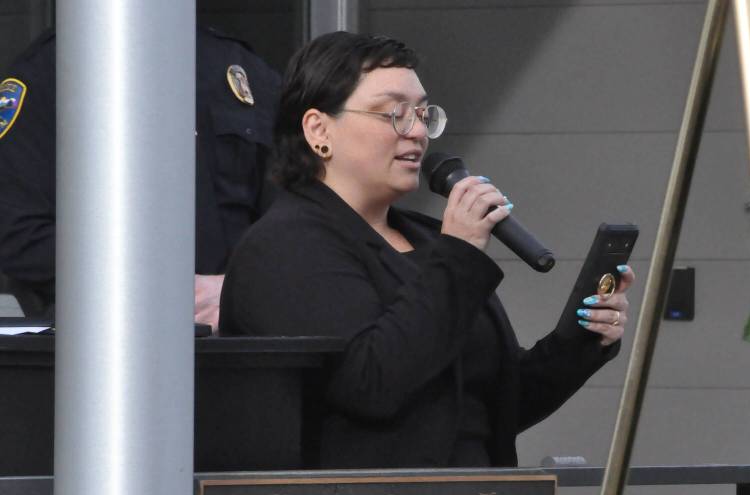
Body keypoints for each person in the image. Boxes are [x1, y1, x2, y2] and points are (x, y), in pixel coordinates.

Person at [220, 31, 633, 472]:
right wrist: (459, 254)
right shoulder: (286, 245)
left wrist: (579, 340)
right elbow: (370, 384)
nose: (417, 131)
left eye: (422, 113)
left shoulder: (432, 240)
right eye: (394, 113)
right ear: (319, 130)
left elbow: (491, 408)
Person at [0, 26, 280, 329]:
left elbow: (296, 224)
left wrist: (237, 289)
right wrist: (149, 285)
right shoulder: (48, 71)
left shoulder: (240, 68)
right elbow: (17, 233)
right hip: (102, 342)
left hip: (240, 346)